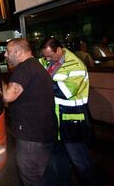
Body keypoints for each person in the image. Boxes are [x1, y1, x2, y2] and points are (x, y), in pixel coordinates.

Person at [39, 37, 98, 186]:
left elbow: (64, 91)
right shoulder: (47, 62)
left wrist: (40, 83)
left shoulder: (76, 66)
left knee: (81, 162)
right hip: (55, 121)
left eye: (50, 55)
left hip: (72, 121)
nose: (47, 59)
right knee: (60, 161)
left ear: (59, 50)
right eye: (45, 56)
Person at [2, 38, 57, 186]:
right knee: (42, 176)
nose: (5, 55)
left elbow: (8, 96)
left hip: (31, 137)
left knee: (31, 177)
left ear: (19, 52)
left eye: (8, 51)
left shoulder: (24, 68)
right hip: (43, 133)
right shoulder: (36, 66)